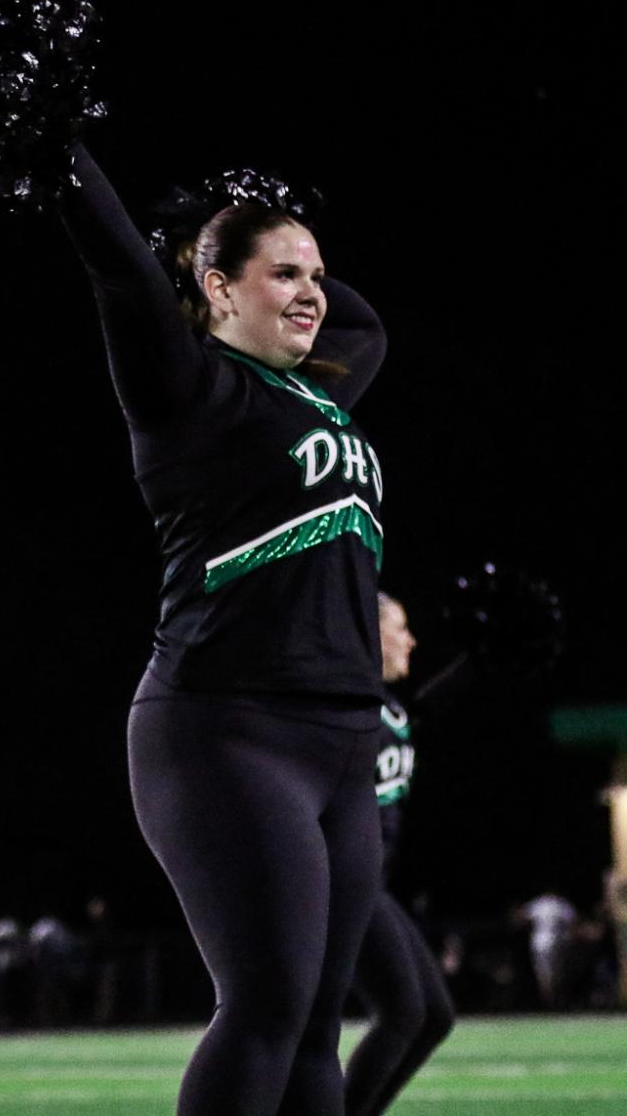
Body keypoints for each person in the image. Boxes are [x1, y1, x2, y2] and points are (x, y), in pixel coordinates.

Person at [61, 144, 389, 1113]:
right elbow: (121, 269)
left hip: (342, 738)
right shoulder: (191, 390)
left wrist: (258, 229)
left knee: (319, 1025)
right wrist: (69, 162)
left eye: (317, 272)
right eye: (285, 273)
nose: (313, 294)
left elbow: (364, 322)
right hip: (227, 728)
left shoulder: (318, 391)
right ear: (213, 286)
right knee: (266, 1006)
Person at [344, 593, 454, 1114]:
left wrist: (473, 664)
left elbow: (421, 713)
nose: (410, 640)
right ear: (369, 633)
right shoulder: (346, 702)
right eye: (399, 628)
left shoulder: (386, 707)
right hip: (345, 883)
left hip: (373, 885)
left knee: (432, 1015)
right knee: (406, 1013)